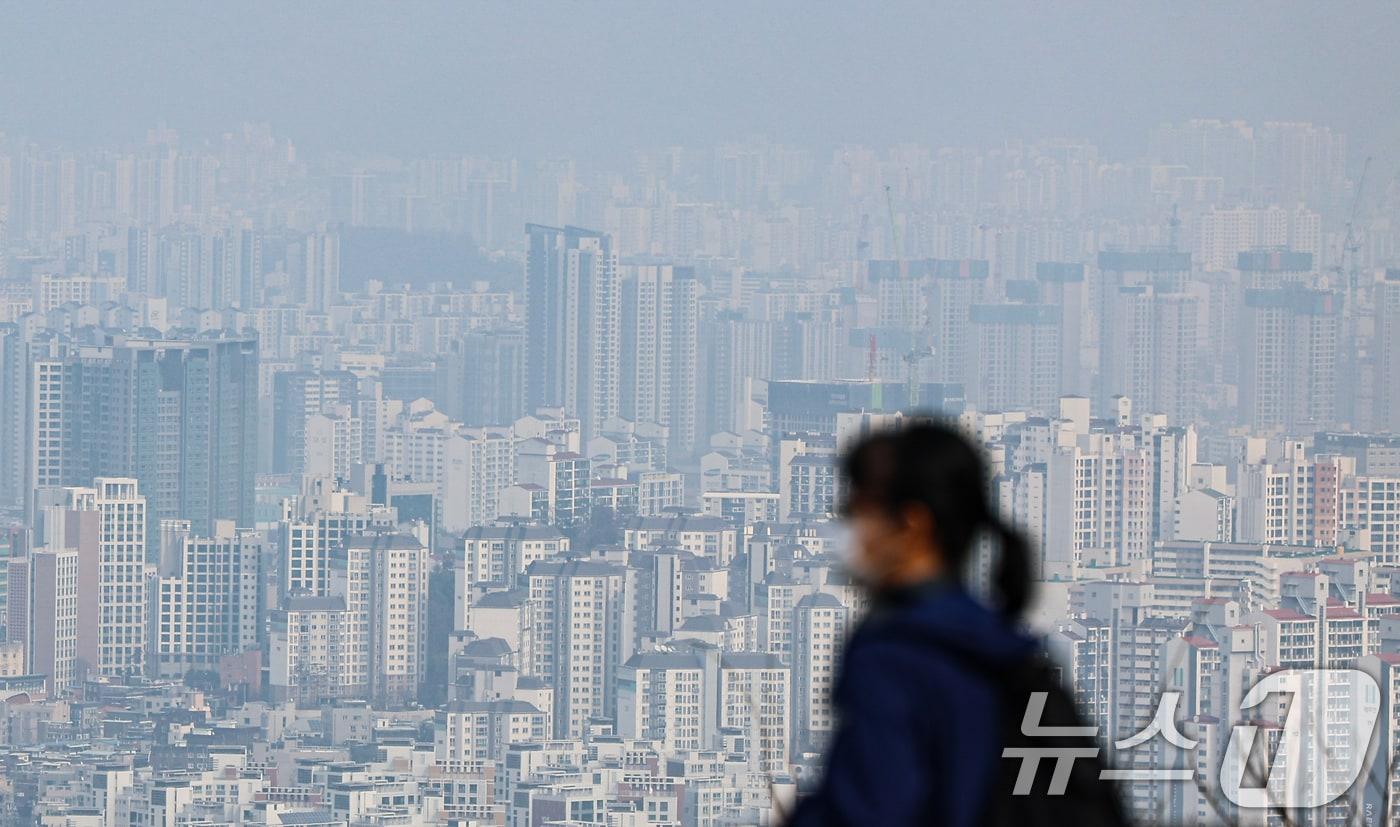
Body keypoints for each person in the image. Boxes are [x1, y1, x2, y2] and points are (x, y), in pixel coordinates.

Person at [784, 422, 1043, 826]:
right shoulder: (994, 644)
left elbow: (869, 810)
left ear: (911, 526)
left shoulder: (897, 660)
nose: (845, 532)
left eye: (855, 513)